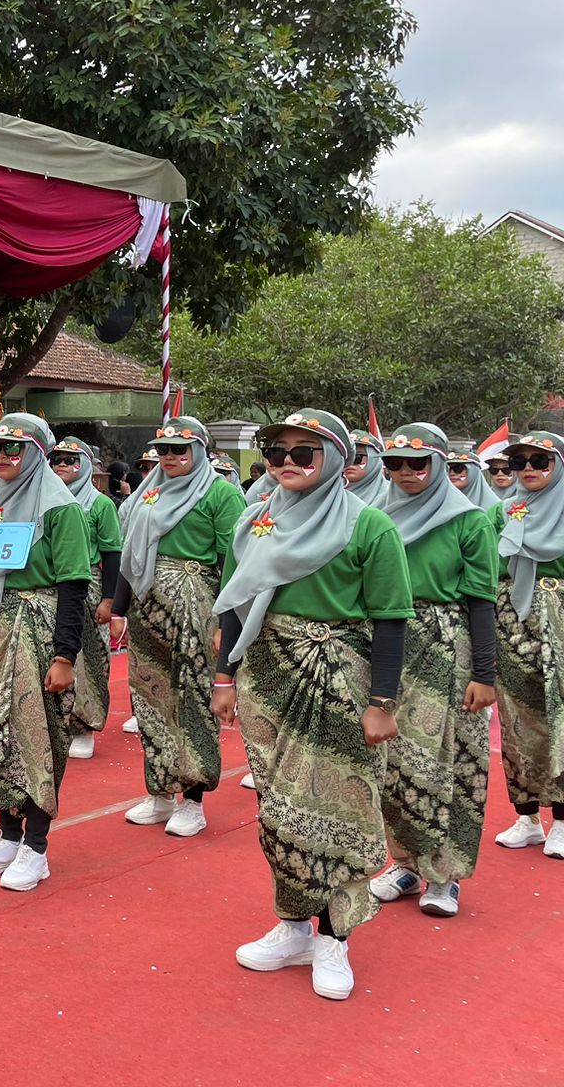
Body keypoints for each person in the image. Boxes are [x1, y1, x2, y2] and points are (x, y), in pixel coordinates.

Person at [211, 408, 411, 1001]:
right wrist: (223, 678)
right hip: (266, 676)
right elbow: (234, 601)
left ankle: (334, 939)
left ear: (338, 459)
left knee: (336, 808)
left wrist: (381, 702)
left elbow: (393, 619)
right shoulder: (255, 520)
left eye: (306, 452)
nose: (289, 464)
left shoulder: (369, 525)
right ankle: (293, 925)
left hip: (339, 679)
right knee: (279, 807)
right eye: (277, 453)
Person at [0, 414, 90, 891]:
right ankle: (8, 835)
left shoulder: (59, 507)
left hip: (39, 631)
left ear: (37, 453)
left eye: (15, 449)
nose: (4, 458)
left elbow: (74, 585)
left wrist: (65, 656)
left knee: (39, 737)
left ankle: (36, 847)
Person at [371, 423, 498, 917]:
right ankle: (404, 862)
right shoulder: (373, 516)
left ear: (442, 465)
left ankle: (443, 874)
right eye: (394, 464)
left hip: (446, 647)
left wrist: (484, 675)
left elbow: (482, 601)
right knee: (392, 762)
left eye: (417, 463)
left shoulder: (470, 521)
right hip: (385, 642)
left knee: (447, 759)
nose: (405, 473)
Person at [111, 416, 244, 836]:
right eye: (164, 450)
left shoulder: (221, 495)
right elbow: (130, 554)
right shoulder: (146, 495)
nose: (169, 457)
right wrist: (120, 608)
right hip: (148, 606)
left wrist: (229, 624)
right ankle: (161, 791)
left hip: (196, 607)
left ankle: (194, 799)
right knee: (150, 695)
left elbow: (233, 564)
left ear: (200, 452)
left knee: (193, 698)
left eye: (179, 450)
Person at [488, 429, 564, 858]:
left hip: (561, 626)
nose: (529, 470)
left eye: (541, 462)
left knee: (560, 718)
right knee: (515, 718)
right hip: (511, 623)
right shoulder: (502, 512)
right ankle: (528, 816)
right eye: (520, 463)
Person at [49, 436, 122, 760]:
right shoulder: (46, 500)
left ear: (85, 466)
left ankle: (84, 724)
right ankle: (57, 724)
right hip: (50, 585)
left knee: (89, 659)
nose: (62, 465)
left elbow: (112, 554)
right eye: (57, 459)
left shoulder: (100, 504)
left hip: (87, 585)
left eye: (71, 460)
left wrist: (109, 600)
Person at [343, 429, 390, 507]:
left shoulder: (392, 496)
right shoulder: (329, 494)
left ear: (374, 460)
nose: (350, 464)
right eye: (346, 459)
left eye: (357, 457)